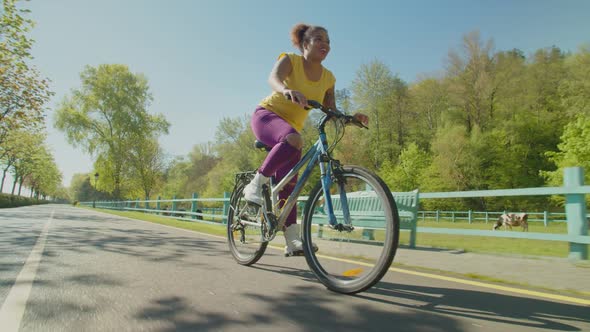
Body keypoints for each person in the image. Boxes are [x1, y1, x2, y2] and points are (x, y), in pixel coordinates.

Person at [243, 23, 369, 257]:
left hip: (290, 134)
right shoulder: (291, 59)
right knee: (294, 139)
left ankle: (292, 241)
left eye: (328, 41)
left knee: (292, 185)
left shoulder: (329, 78)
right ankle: (255, 184)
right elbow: (274, 78)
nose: (325, 44)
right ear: (305, 44)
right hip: (267, 116)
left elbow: (332, 110)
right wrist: (286, 91)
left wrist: (352, 118)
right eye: (319, 39)